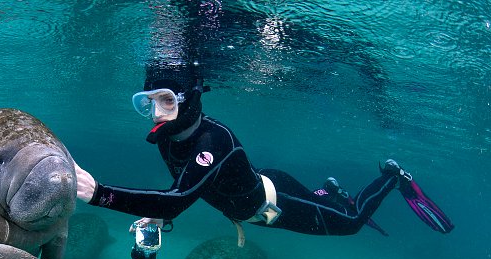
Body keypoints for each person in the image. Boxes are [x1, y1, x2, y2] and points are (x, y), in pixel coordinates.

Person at [75, 64, 453, 247]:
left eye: (167, 101)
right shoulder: (166, 140)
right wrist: (155, 212)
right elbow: (184, 187)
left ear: (189, 99)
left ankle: (391, 176)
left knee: (352, 222)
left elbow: (178, 200)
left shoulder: (214, 140)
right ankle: (328, 193)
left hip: (276, 203)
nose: (157, 114)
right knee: (323, 202)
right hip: (267, 187)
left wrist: (99, 193)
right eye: (148, 103)